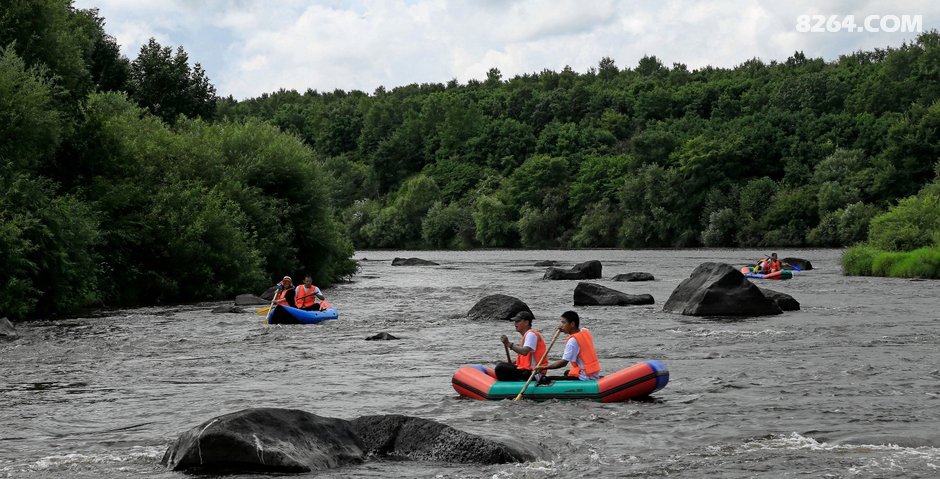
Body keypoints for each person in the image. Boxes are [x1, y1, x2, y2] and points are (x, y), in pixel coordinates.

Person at [540, 311, 601, 381]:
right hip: (593, 373)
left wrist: (544, 368)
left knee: (547, 379)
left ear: (572, 324)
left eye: (564, 323)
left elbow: (563, 363)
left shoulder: (573, 341)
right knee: (567, 372)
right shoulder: (585, 331)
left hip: (585, 377)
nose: (560, 326)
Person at [495, 311, 547, 381]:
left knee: (500, 368)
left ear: (526, 322)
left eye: (518, 321)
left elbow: (524, 351)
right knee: (501, 364)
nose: (515, 324)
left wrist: (509, 344)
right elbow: (525, 358)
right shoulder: (526, 336)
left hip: (533, 373)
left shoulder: (531, 334)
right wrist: (512, 363)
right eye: (515, 321)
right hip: (526, 371)